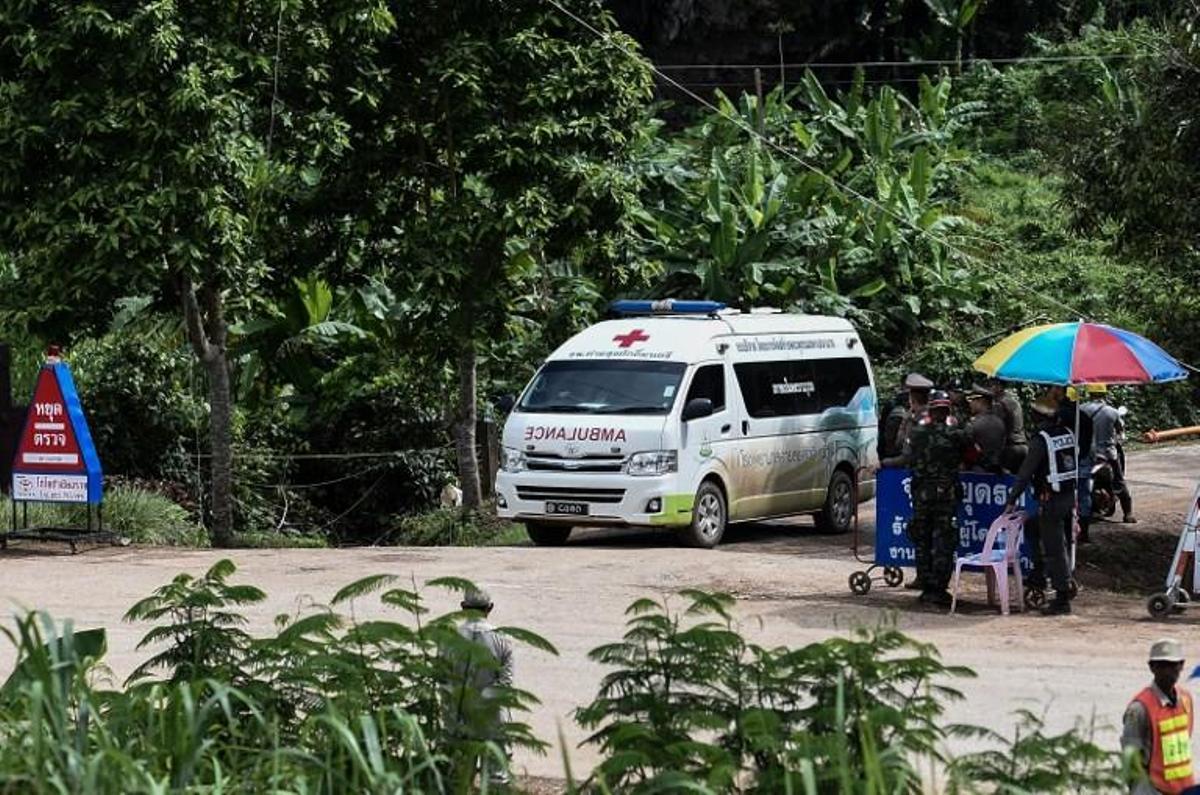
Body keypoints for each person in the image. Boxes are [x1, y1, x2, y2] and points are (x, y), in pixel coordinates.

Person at [883, 390, 967, 607]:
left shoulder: (918, 433)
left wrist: (884, 464)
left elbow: (906, 457)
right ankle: (938, 588)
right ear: (947, 410)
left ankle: (926, 585)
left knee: (923, 538)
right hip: (945, 495)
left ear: (931, 409)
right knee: (944, 541)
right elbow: (973, 454)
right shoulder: (957, 435)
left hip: (921, 495)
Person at [1005, 398, 1077, 616]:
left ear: (1039, 417)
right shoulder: (1067, 433)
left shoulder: (1041, 440)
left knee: (1054, 548)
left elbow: (1026, 473)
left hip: (1051, 500)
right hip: (1067, 496)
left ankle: (1062, 597)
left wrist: (1011, 500)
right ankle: (1041, 574)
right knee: (1035, 528)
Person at [450, 588, 515, 785]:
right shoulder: (502, 640)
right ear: (490, 608)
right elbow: (506, 684)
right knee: (496, 779)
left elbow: (445, 679)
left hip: (460, 718)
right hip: (492, 718)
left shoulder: (450, 639)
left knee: (459, 778)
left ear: (462, 607)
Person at [1122, 638, 1195, 794]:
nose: (1168, 670)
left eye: (1173, 665)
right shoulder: (1140, 709)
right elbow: (1132, 764)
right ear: (1152, 667)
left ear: (1182, 665)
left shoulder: (1186, 700)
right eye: (1162, 665)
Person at [1083, 384, 1136, 523]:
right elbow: (1120, 430)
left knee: (1080, 482)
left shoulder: (1081, 409)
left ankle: (1083, 518)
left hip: (1087, 454)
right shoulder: (1112, 412)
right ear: (1104, 394)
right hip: (1108, 453)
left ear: (1089, 394)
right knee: (1119, 482)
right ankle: (1128, 513)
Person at [881, 373, 934, 459]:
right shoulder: (936, 414)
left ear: (911, 398)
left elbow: (903, 451)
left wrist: (884, 463)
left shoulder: (911, 418)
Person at [965, 385, 1007, 474]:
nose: (970, 404)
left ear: (981, 401)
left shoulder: (973, 424)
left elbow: (967, 450)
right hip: (998, 472)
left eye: (972, 400)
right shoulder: (1000, 422)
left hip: (976, 473)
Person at [989, 379, 1028, 473]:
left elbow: (998, 431)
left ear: (999, 387)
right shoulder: (1014, 401)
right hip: (1023, 446)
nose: (990, 389)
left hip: (1010, 449)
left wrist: (995, 458)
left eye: (991, 386)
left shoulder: (1000, 404)